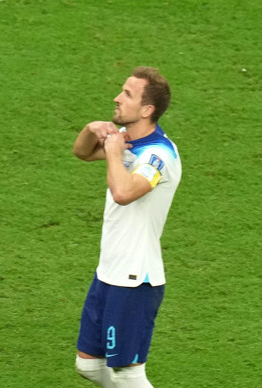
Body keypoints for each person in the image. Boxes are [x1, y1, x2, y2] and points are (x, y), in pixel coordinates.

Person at [73, 66, 181, 387]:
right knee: (90, 367)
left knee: (127, 376)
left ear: (147, 110)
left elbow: (123, 193)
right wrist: (91, 130)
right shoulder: (126, 143)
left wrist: (114, 154)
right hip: (108, 273)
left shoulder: (158, 156)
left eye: (127, 95)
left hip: (135, 279)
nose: (117, 98)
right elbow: (81, 152)